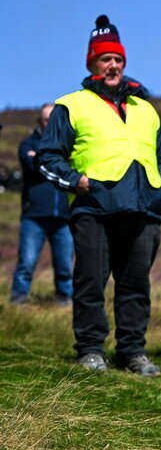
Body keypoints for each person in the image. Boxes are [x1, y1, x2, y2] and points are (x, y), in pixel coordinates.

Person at [36, 15, 161, 376]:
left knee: (135, 286)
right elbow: (48, 156)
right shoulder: (71, 104)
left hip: (144, 209)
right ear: (92, 63)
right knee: (90, 283)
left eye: (118, 59)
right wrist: (76, 181)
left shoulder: (145, 108)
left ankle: (133, 351)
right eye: (104, 59)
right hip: (94, 207)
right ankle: (91, 350)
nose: (113, 65)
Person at [8, 104, 74, 305]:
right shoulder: (28, 143)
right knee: (26, 262)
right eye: (47, 119)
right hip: (34, 216)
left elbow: (70, 170)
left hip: (64, 216)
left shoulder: (69, 144)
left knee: (64, 264)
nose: (50, 123)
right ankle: (19, 298)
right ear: (40, 121)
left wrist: (42, 160)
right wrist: (57, 164)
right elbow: (31, 166)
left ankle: (65, 298)